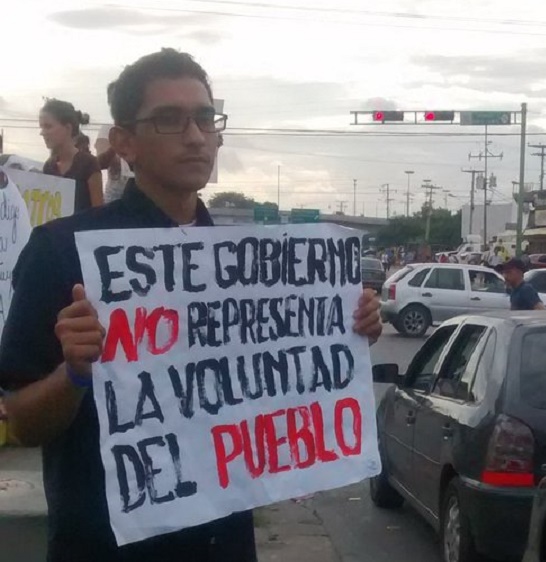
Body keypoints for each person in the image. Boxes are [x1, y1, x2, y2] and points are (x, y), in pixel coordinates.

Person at [0, 48, 383, 562]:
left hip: (224, 544)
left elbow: (276, 387)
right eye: (168, 120)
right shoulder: (62, 251)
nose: (196, 135)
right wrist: (74, 373)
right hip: (105, 547)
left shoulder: (253, 268)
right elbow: (22, 423)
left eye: (205, 118)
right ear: (124, 142)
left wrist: (346, 330)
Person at [39, 98, 104, 213]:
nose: (42, 132)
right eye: (42, 127)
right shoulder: (49, 166)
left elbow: (98, 213)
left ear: (68, 128)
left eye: (48, 126)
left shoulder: (88, 163)